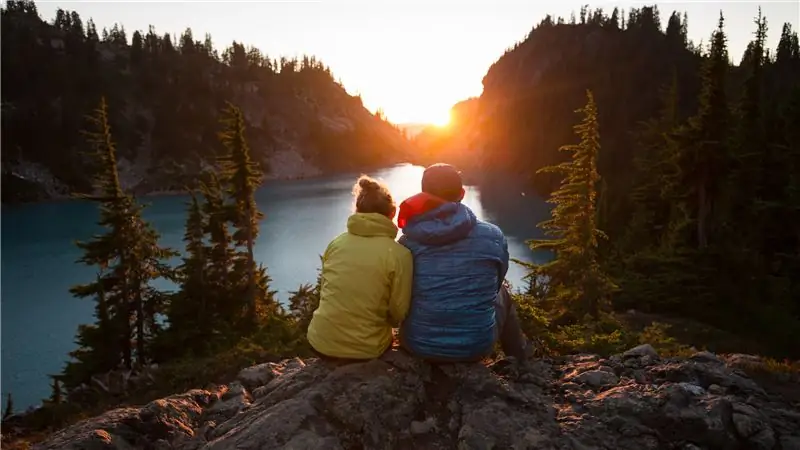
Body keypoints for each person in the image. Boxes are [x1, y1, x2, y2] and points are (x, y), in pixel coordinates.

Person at [397, 163, 530, 362]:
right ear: (462, 193)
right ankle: (520, 361)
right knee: (503, 293)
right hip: (476, 346)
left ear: (423, 195)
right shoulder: (493, 235)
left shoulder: (408, 242)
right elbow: (495, 283)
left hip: (419, 345)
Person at [307, 175, 413, 361]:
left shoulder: (336, 244)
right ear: (392, 213)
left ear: (357, 210)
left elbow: (326, 291)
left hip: (320, 341)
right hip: (367, 349)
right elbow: (398, 313)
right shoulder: (399, 255)